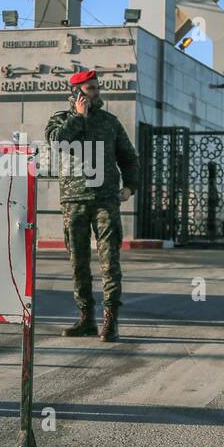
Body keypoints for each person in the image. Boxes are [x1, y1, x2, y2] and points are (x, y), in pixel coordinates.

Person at [45, 70, 140, 342]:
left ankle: (111, 322)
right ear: (76, 92)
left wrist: (130, 187)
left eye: (97, 88)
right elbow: (58, 143)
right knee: (78, 263)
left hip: (105, 200)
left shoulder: (109, 122)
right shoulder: (61, 120)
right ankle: (86, 319)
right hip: (73, 201)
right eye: (90, 88)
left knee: (109, 262)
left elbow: (129, 157)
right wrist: (78, 117)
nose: (96, 92)